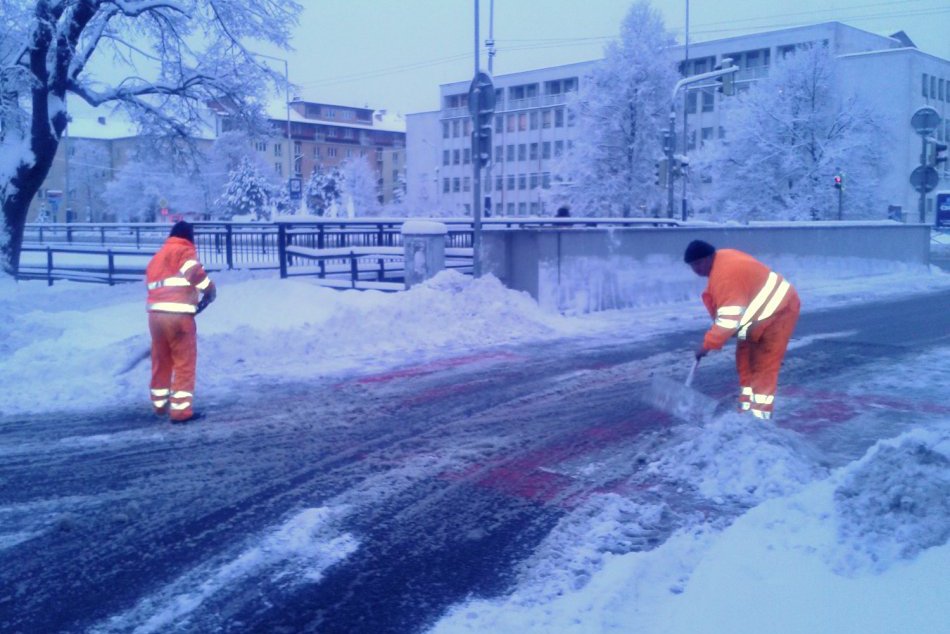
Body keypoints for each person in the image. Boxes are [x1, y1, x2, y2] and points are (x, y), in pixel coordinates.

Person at [684, 239, 800, 421]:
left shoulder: (725, 275)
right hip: (755, 319)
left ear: (708, 258)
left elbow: (729, 320)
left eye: (698, 263)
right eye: (692, 266)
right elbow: (731, 313)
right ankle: (746, 411)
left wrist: (707, 345)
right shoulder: (721, 261)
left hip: (779, 312)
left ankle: (760, 420)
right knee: (745, 360)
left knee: (763, 367)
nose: (696, 269)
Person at [145, 220, 216, 423]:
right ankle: (181, 412)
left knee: (161, 359)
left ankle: (159, 404)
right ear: (188, 236)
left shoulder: (158, 257)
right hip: (178, 318)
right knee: (184, 362)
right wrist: (209, 289)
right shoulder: (183, 251)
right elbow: (194, 273)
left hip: (155, 317)